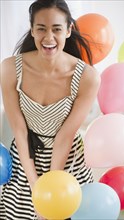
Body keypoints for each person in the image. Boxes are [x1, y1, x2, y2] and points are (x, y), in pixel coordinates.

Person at [0, 0, 100, 219]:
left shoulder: (87, 77)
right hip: (26, 159)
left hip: (68, 162)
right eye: (41, 29)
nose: (48, 38)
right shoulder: (9, 69)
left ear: (68, 30)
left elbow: (66, 136)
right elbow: (19, 129)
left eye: (56, 29)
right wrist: (36, 186)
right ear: (32, 29)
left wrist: (52, 191)